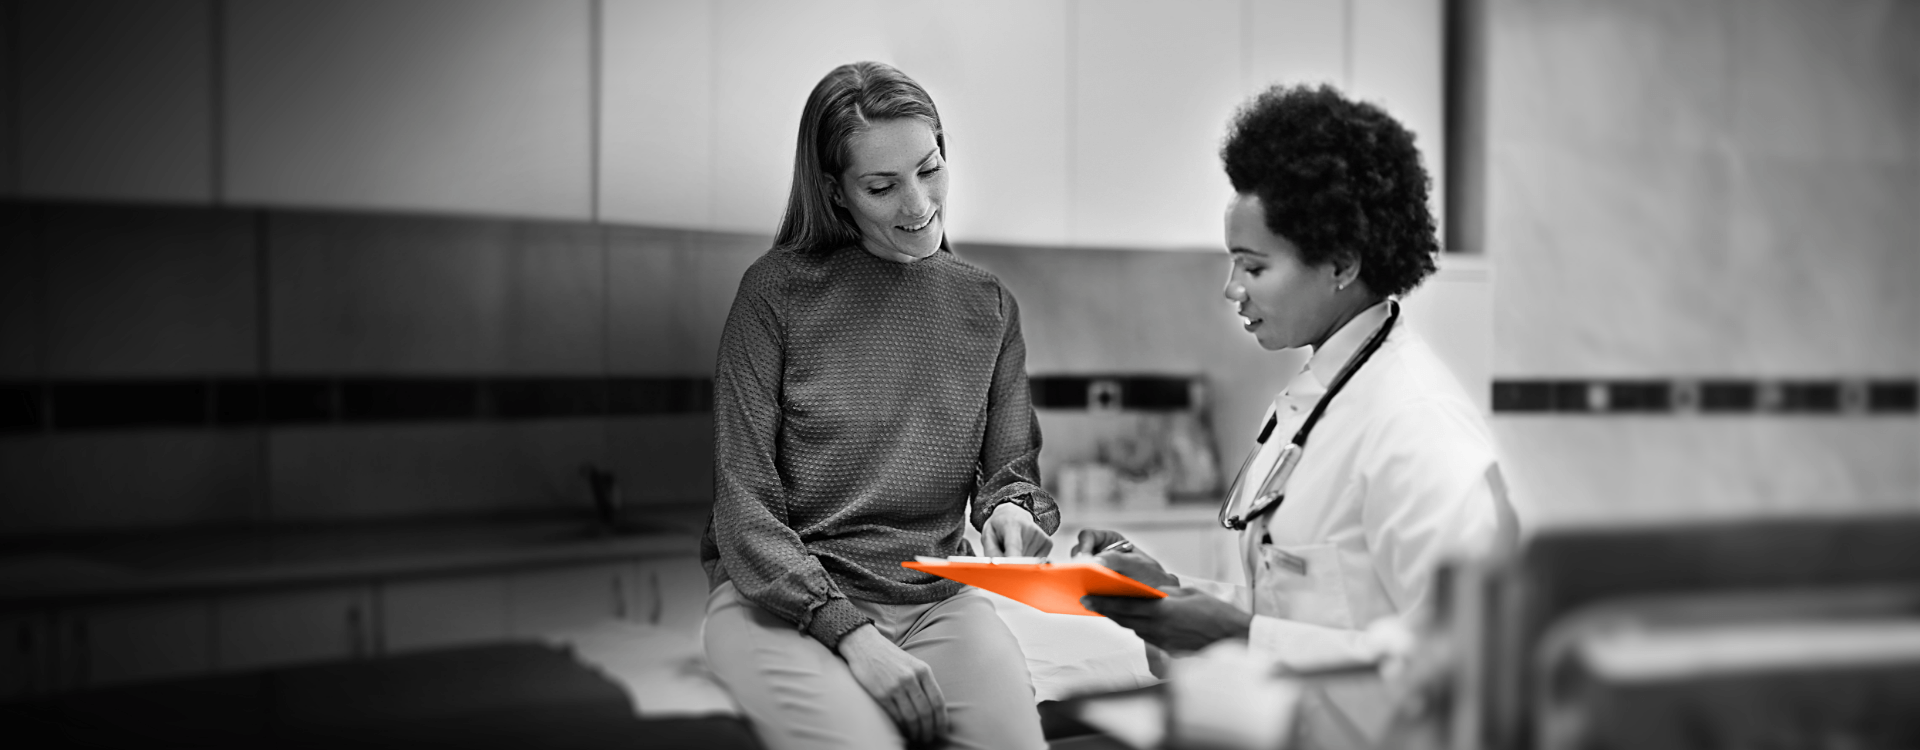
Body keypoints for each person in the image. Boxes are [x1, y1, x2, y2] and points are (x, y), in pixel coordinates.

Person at [1077, 84, 1520, 749]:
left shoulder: (1415, 426)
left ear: (1342, 263)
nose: (1232, 289)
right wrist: (1170, 594)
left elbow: (1472, 660)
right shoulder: (1320, 399)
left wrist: (1237, 636)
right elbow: (1309, 609)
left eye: (1253, 266)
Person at [699, 61, 1056, 750]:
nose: (918, 204)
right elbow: (743, 511)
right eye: (882, 186)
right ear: (836, 191)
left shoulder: (987, 305)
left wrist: (1011, 511)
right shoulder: (775, 294)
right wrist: (851, 634)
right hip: (779, 606)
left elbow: (1010, 471)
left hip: (935, 604)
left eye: (930, 168)